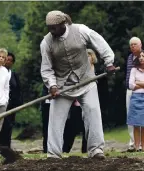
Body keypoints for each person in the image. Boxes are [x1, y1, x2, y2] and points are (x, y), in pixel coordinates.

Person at [40, 10, 116, 159]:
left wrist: (109, 62)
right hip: (63, 86)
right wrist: (52, 85)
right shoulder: (46, 42)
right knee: (55, 119)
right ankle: (53, 155)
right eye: (49, 27)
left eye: (54, 27)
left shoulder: (81, 30)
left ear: (63, 24)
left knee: (93, 112)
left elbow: (99, 42)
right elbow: (46, 68)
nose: (51, 31)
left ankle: (96, 150)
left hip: (86, 80)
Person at [126, 37, 144, 152]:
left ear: (140, 44)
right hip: (130, 90)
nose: (133, 46)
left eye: (135, 44)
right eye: (131, 44)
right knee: (132, 118)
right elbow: (130, 80)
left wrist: (140, 84)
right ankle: (133, 143)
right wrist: (132, 85)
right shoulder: (129, 57)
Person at [0, 52, 23, 148]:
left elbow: (19, 89)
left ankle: (6, 146)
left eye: (10, 60)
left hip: (11, 104)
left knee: (9, 125)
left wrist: (19, 103)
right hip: (0, 103)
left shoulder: (14, 75)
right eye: (6, 59)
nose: (7, 62)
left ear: (12, 63)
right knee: (0, 125)